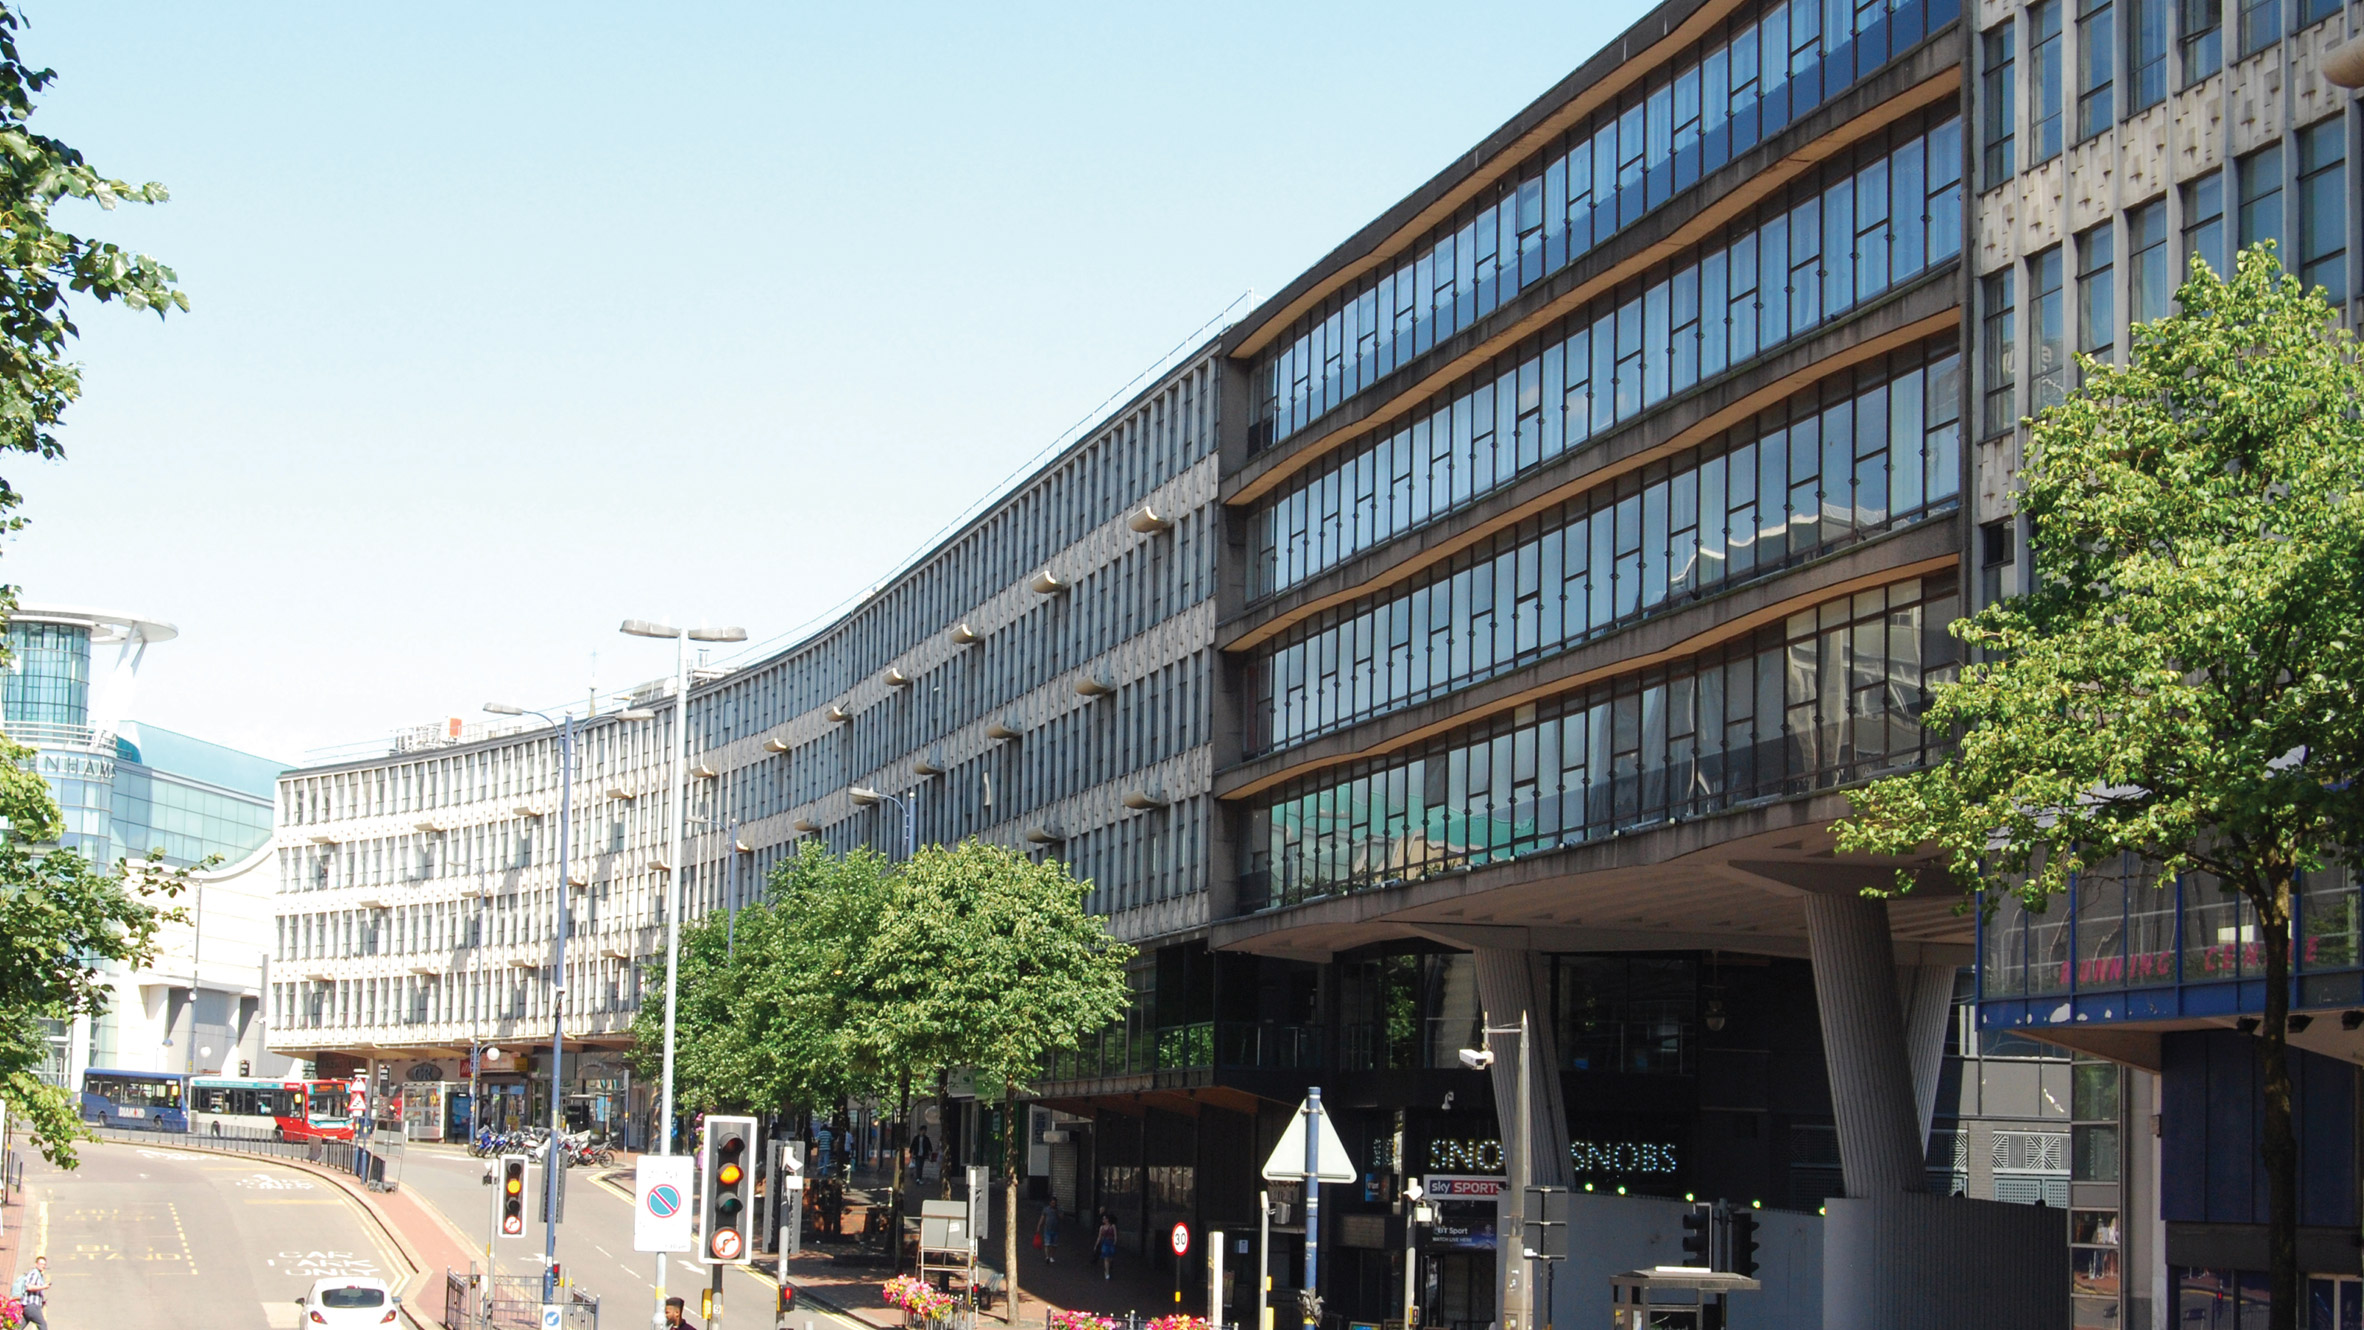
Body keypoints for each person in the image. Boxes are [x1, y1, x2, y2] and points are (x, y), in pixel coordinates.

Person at [20, 1254, 47, 1329]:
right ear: (36, 1264)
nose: (43, 1266)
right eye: (41, 1264)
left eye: (44, 1264)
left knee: (18, 1327)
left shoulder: (39, 1275)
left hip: (29, 1307)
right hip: (31, 1306)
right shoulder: (35, 1273)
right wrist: (44, 1287)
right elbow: (29, 1287)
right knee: (42, 1325)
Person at [1095, 1214, 1117, 1281]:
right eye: (1103, 1219)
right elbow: (1099, 1236)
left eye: (1104, 1218)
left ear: (1107, 1219)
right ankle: (1107, 1272)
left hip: (1111, 1243)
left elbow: (1115, 1235)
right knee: (1106, 1258)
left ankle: (1109, 1267)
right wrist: (1096, 1244)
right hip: (1105, 1243)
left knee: (1110, 1258)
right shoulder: (1101, 1227)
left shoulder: (1112, 1226)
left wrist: (1115, 1242)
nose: (1103, 1220)